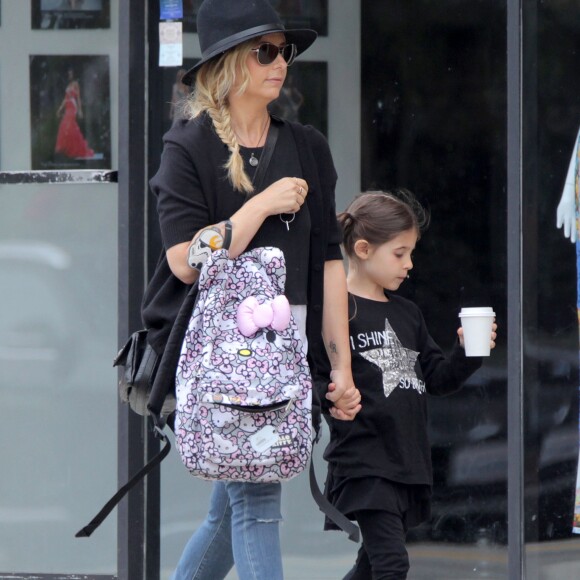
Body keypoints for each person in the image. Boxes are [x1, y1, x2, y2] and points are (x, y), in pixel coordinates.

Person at [147, 1, 361, 578]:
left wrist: (339, 363)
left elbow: (328, 265)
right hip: (217, 355)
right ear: (227, 64)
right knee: (258, 503)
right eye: (264, 51)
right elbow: (184, 262)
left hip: (287, 353)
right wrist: (261, 205)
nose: (281, 62)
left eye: (283, 50)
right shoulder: (187, 147)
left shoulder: (307, 147)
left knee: (231, 511)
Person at [320, 190, 498, 579]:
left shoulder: (407, 313)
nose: (409, 264)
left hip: (406, 460)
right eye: (400, 254)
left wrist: (468, 351)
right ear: (363, 249)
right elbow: (316, 376)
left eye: (411, 253)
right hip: (364, 461)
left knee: (370, 566)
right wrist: (331, 397)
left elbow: (437, 378)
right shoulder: (335, 310)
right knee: (391, 564)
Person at [55, 68, 94, 159]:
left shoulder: (75, 84)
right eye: (69, 73)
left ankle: (76, 149)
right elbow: (65, 99)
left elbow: (78, 98)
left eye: (71, 73)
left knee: (70, 125)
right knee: (65, 125)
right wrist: (60, 109)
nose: (70, 75)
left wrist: (80, 110)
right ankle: (68, 149)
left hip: (72, 107)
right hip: (68, 106)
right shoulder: (68, 85)